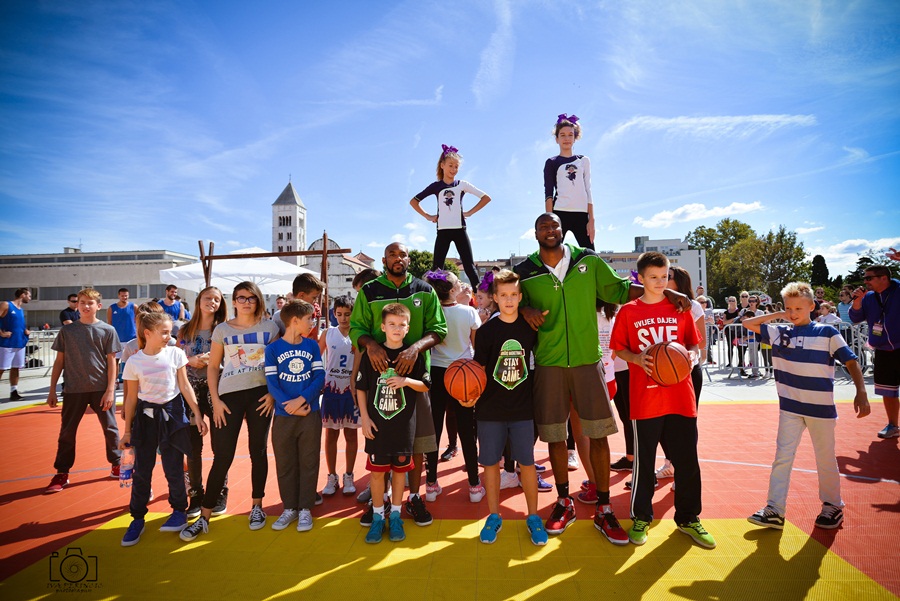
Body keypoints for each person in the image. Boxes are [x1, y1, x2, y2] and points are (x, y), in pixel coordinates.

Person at [514, 213, 689, 544]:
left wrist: (665, 293)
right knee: (555, 437)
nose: (550, 230)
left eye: (554, 225)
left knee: (598, 435)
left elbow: (620, 289)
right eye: (543, 226)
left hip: (587, 360)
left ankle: (605, 508)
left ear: (562, 230)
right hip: (549, 363)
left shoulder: (587, 261)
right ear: (535, 232)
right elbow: (506, 296)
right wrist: (524, 311)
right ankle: (563, 502)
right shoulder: (526, 271)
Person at [743, 282, 869, 530]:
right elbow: (749, 324)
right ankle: (775, 508)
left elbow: (851, 362)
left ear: (812, 306)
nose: (793, 313)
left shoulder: (827, 333)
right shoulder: (780, 332)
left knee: (825, 459)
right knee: (782, 458)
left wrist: (861, 392)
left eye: (799, 307)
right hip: (790, 408)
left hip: (820, 410)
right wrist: (778, 314)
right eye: (789, 308)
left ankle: (832, 505)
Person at [610, 251, 714, 549]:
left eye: (664, 276)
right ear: (640, 278)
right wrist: (638, 358)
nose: (659, 282)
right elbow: (619, 350)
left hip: (681, 396)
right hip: (645, 399)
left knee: (687, 460)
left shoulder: (679, 307)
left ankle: (689, 518)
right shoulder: (628, 311)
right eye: (653, 277)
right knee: (644, 464)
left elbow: (693, 343)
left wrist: (692, 356)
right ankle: (642, 516)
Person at [350, 242, 447, 527]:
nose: (398, 258)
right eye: (392, 254)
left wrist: (414, 348)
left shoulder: (424, 290)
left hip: (414, 378)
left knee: (416, 443)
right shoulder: (369, 291)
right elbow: (357, 328)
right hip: (379, 381)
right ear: (384, 259)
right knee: (381, 440)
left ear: (408, 260)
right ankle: (380, 502)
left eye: (403, 254)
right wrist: (371, 346)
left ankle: (413, 497)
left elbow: (438, 329)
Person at [180, 281, 279, 541]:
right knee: (222, 456)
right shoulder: (222, 329)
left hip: (260, 397)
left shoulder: (270, 328)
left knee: (258, 452)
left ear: (258, 301)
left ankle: (256, 507)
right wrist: (216, 399)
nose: (246, 302)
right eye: (241, 297)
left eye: (251, 298)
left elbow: (277, 363)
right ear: (233, 301)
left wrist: (272, 393)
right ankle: (204, 516)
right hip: (228, 398)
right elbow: (213, 367)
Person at [119, 312, 208, 546]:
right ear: (147, 333)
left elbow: (185, 385)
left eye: (171, 332)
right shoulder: (134, 362)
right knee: (142, 471)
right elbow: (130, 399)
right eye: (165, 332)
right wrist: (127, 431)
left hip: (173, 416)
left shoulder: (176, 353)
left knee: (174, 468)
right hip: (146, 419)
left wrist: (196, 414)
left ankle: (179, 511)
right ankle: (137, 518)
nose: (170, 337)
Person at [473, 269, 547, 546]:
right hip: (490, 408)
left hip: (522, 407)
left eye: (514, 294)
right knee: (491, 464)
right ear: (494, 297)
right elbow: (478, 370)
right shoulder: (486, 331)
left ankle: (533, 516)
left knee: (527, 463)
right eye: (503, 295)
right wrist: (469, 395)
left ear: (520, 297)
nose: (509, 299)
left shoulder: (530, 327)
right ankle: (493, 515)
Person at [356, 303, 431, 543]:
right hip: (377, 425)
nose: (397, 328)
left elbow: (426, 385)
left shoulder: (412, 355)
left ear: (408, 328)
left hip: (402, 426)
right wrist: (364, 419)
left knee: (400, 473)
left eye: (401, 325)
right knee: (377, 475)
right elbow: (361, 388)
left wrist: (406, 380)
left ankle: (396, 515)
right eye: (392, 324)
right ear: (383, 327)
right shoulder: (372, 355)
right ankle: (378, 517)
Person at [44, 288, 122, 494]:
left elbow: (112, 362)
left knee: (110, 429)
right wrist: (52, 389)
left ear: (99, 306)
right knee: (67, 432)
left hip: (100, 390)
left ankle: (116, 464)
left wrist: (110, 390)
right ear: (76, 305)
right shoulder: (67, 331)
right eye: (82, 302)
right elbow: (59, 361)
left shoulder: (108, 330)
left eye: (90, 303)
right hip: (73, 390)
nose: (86, 306)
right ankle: (62, 472)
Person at [265, 300, 326, 532]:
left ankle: (305, 509)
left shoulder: (311, 346)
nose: (312, 322)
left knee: (309, 461)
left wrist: (302, 401)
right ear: (294, 320)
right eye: (309, 318)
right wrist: (287, 405)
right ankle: (289, 507)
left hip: (309, 413)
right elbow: (272, 383)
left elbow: (319, 378)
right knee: (285, 462)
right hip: (283, 416)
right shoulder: (272, 349)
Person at [423, 270, 482, 504]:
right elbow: (476, 347)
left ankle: (430, 484)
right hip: (464, 373)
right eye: (458, 282)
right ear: (453, 289)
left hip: (437, 373)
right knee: (468, 429)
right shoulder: (469, 312)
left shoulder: (431, 313)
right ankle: (474, 485)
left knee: (434, 430)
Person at [177, 286, 228, 519]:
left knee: (220, 446)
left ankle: (219, 492)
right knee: (193, 449)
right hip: (189, 392)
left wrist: (213, 362)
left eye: (217, 299)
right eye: (208, 298)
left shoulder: (224, 330)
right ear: (198, 301)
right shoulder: (184, 330)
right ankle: (195, 495)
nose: (212, 302)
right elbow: (175, 360)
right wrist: (191, 360)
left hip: (216, 391)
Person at [409, 144, 491, 288]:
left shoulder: (462, 184)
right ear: (442, 165)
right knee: (436, 267)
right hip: (442, 231)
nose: (453, 169)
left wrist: (469, 212)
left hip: (460, 229)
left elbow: (485, 198)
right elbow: (414, 201)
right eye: (451, 165)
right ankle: (434, 296)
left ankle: (479, 296)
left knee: (469, 266)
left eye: (456, 167)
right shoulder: (436, 186)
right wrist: (428, 216)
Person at [654, 266, 707, 484]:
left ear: (680, 283)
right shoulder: (657, 303)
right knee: (663, 423)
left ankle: (684, 470)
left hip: (686, 371)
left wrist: (681, 356)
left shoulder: (692, 306)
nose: (664, 280)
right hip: (663, 371)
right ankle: (671, 464)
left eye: (669, 277)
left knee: (686, 424)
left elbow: (701, 341)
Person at [849, 265, 900, 439]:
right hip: (883, 350)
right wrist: (857, 301)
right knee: (888, 390)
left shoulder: (898, 290)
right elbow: (855, 318)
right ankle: (893, 425)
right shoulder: (868, 297)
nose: (865, 282)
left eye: (869, 278)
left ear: (883, 278)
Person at [319, 295, 360, 498]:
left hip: (351, 392)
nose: (343, 318)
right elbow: (316, 359)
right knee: (331, 435)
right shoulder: (328, 333)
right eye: (339, 314)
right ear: (334, 314)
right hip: (331, 391)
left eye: (347, 314)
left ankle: (349, 475)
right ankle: (332, 475)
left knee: (351, 435)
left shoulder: (359, 334)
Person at [543, 114, 595, 249]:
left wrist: (591, 220)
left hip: (582, 214)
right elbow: (548, 193)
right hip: (559, 213)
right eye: (563, 135)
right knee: (552, 253)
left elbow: (588, 190)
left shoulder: (584, 161)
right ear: (557, 139)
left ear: (575, 137)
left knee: (590, 255)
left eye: (570, 135)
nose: (567, 138)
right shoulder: (552, 163)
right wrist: (550, 222)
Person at [0, 287, 31, 400]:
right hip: (6, 344)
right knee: (1, 368)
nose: (30, 298)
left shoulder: (21, 309)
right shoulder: (6, 305)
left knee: (15, 368)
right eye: (29, 295)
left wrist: (25, 331)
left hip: (19, 343)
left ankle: (14, 392)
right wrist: (1, 333)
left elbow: (19, 324)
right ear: (22, 295)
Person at [107, 288, 137, 386]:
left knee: (132, 361)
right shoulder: (112, 308)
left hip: (131, 339)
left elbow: (138, 321)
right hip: (117, 340)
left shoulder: (134, 307)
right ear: (118, 296)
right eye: (122, 295)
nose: (124, 297)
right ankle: (114, 382)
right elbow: (109, 324)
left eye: (126, 295)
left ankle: (133, 381)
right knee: (115, 361)